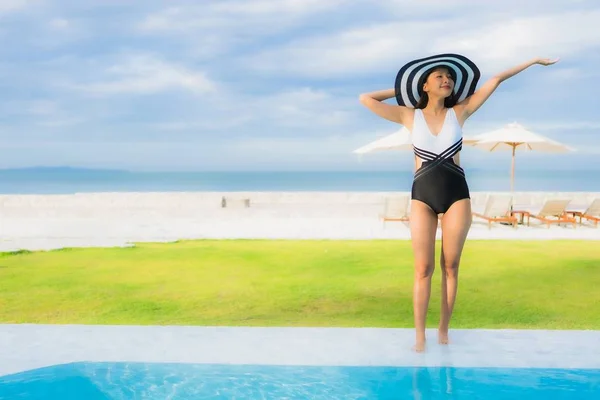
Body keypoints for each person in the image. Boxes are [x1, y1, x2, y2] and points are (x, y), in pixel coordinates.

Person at [359, 54, 558, 352]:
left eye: (449, 76)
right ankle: (419, 337)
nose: (446, 80)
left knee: (450, 267)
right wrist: (404, 93)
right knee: (422, 269)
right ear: (425, 85)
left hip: (456, 196)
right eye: (438, 76)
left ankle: (443, 330)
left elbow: (495, 80)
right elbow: (366, 98)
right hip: (422, 196)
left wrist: (531, 62)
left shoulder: (461, 112)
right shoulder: (408, 115)